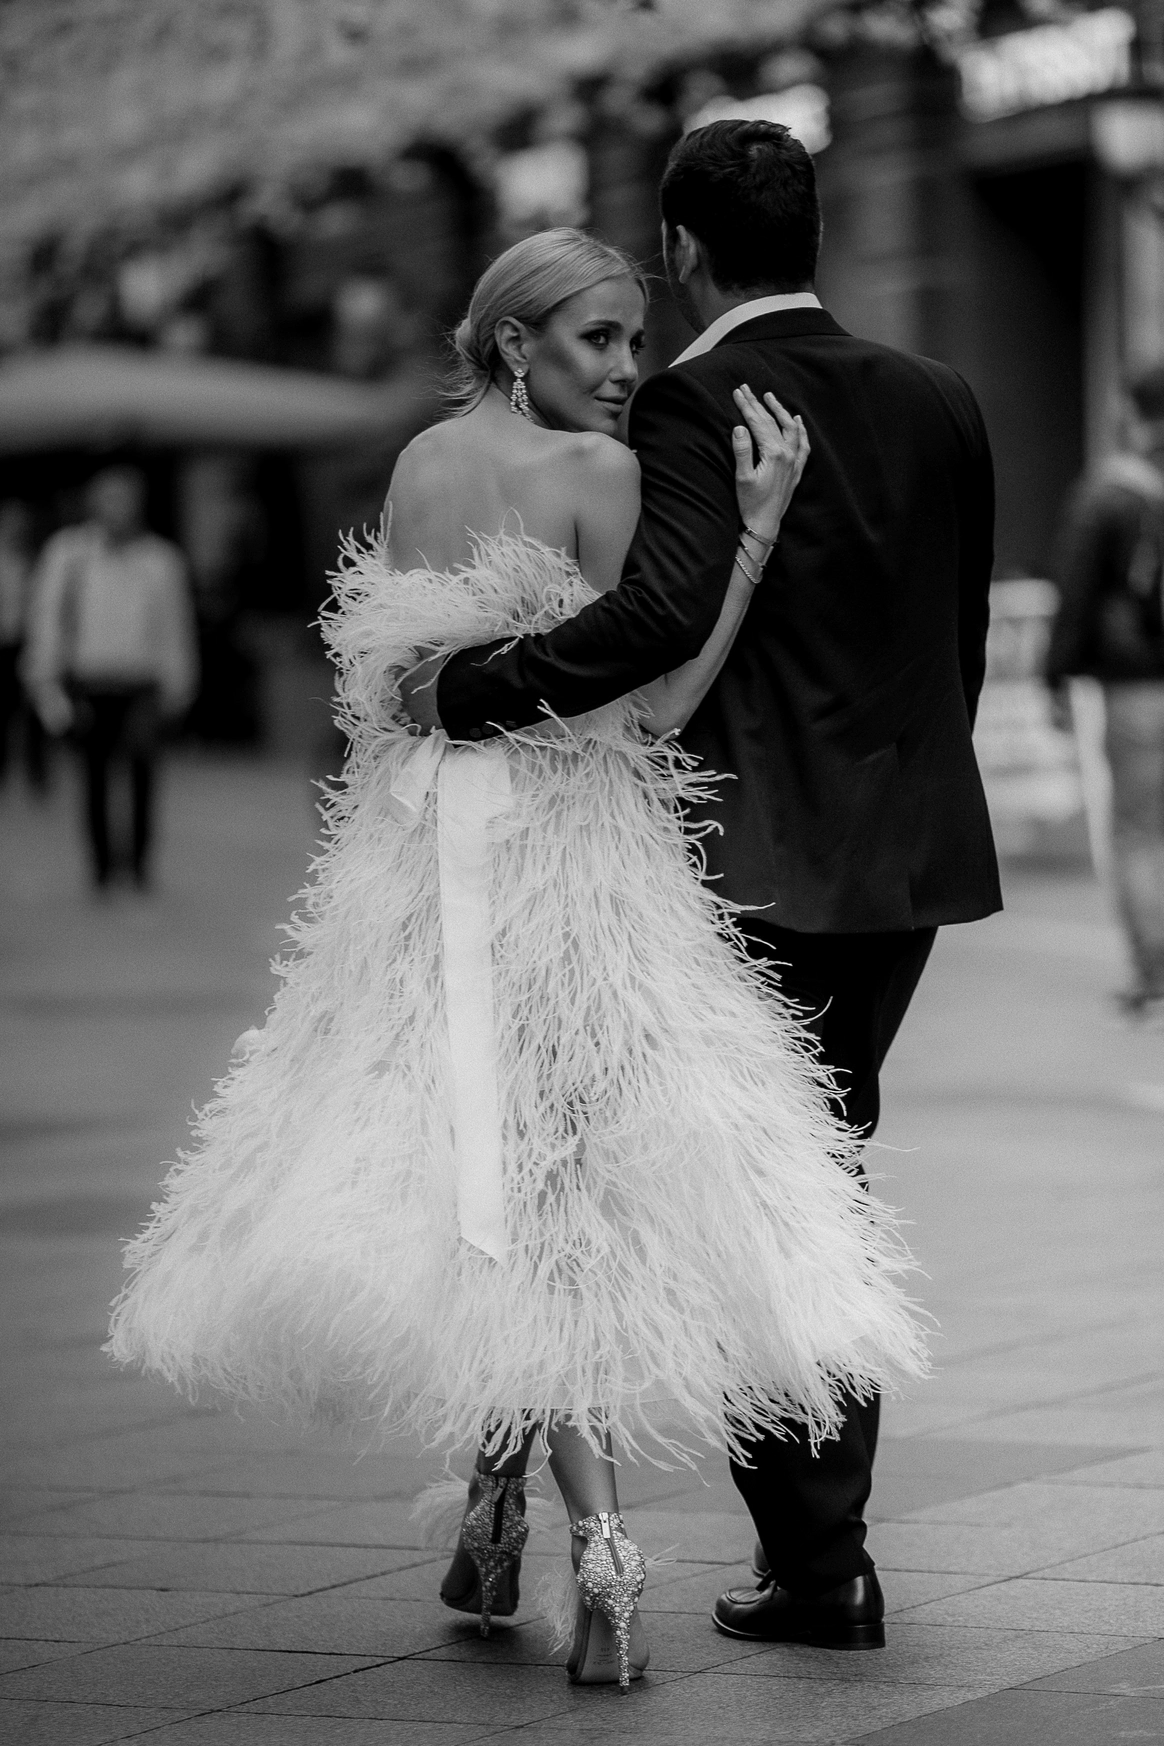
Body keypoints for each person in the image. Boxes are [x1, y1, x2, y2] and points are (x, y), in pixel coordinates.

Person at [108, 227, 927, 1693]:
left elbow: (382, 688)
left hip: (423, 865)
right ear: (513, 341)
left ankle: (494, 1514)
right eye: (599, 339)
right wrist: (750, 532)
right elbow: (658, 700)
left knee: (485, 1177)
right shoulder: (604, 475)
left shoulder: (422, 467)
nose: (626, 370)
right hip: (569, 866)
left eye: (632, 340)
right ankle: (601, 1546)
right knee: (556, 1194)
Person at [401, 124, 1000, 1650]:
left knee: (733, 1192)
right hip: (909, 860)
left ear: (680, 248)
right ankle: (788, 1551)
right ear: (816, 230)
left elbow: (660, 617)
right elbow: (961, 641)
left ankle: (811, 1560)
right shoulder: (942, 396)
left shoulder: (688, 400)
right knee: (816, 1169)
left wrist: (472, 688)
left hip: (750, 864)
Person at [1046, 363, 1164, 1018]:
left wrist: (1054, 676)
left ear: (1134, 414)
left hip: (1136, 689)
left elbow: (1076, 592)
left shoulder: (1114, 495)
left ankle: (1153, 972)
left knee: (1139, 832)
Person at [23, 466, 198, 890]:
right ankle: (101, 866)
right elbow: (48, 619)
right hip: (89, 681)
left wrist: (179, 683)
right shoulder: (68, 553)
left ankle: (138, 864)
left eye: (126, 498)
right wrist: (44, 678)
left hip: (140, 682)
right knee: (94, 775)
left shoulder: (160, 559)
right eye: (109, 497)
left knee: (143, 772)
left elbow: (174, 626)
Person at [0, 499, 48, 792]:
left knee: (34, 707)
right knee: (3, 707)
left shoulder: (34, 560)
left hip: (29, 642)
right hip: (3, 643)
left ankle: (36, 769)